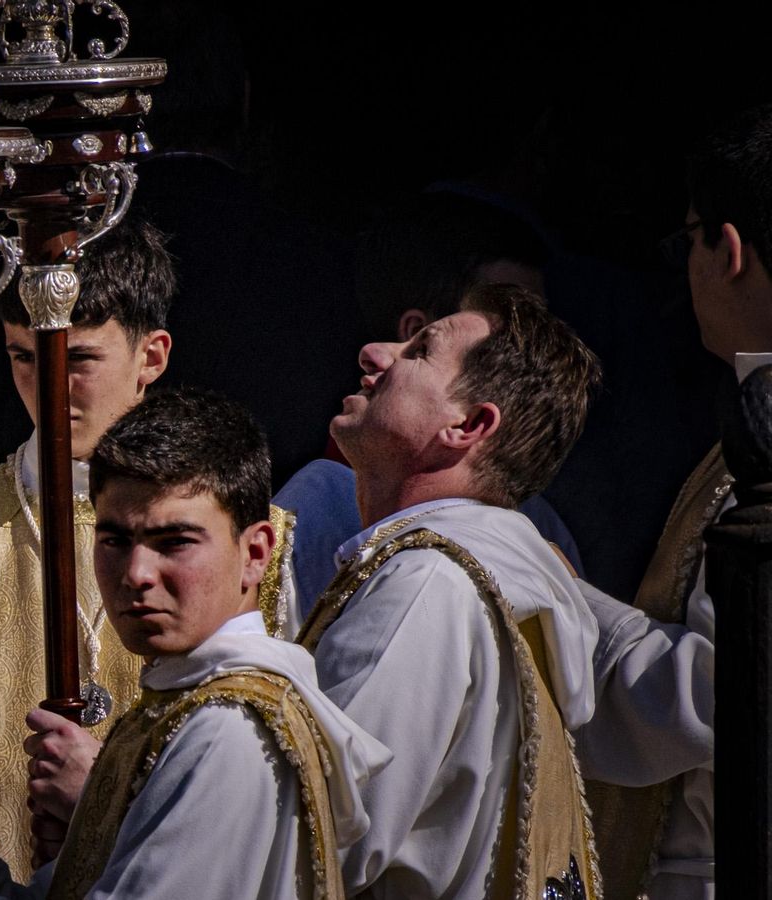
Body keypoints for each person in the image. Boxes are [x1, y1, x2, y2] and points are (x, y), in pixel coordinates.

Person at [0, 387, 389, 900]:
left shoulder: (230, 727)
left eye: (174, 541)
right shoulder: (181, 702)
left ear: (255, 552)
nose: (136, 573)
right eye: (114, 539)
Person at [298, 282, 602, 897]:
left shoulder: (425, 583)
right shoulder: (483, 578)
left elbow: (318, 833)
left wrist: (124, 797)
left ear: (467, 425)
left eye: (417, 352)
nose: (374, 354)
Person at [575, 105, 772, 900]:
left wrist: (561, 602)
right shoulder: (747, 422)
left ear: (725, 249)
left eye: (684, 238)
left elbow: (725, 691)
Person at [276, 191, 584, 606]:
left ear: (472, 424)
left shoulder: (534, 536)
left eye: (536, 318)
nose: (528, 341)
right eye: (509, 316)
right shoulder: (315, 504)